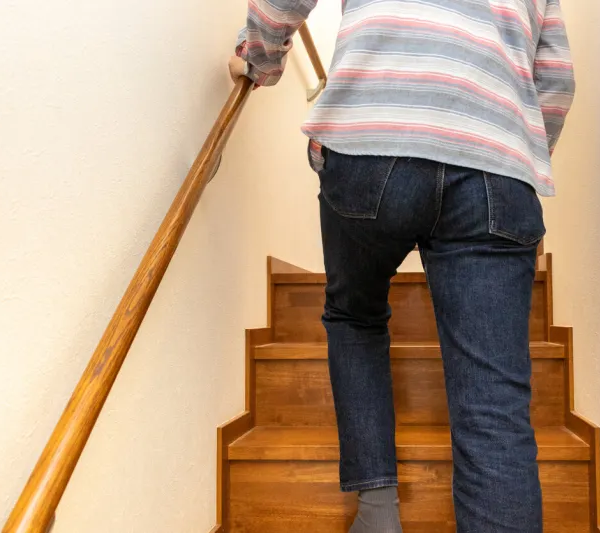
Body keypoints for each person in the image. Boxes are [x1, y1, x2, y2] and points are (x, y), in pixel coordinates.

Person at [229, 1, 575, 531]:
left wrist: (259, 62)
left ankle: (376, 512)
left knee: (355, 317)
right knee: (494, 403)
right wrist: (512, 156)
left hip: (370, 146)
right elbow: (554, 79)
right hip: (495, 168)